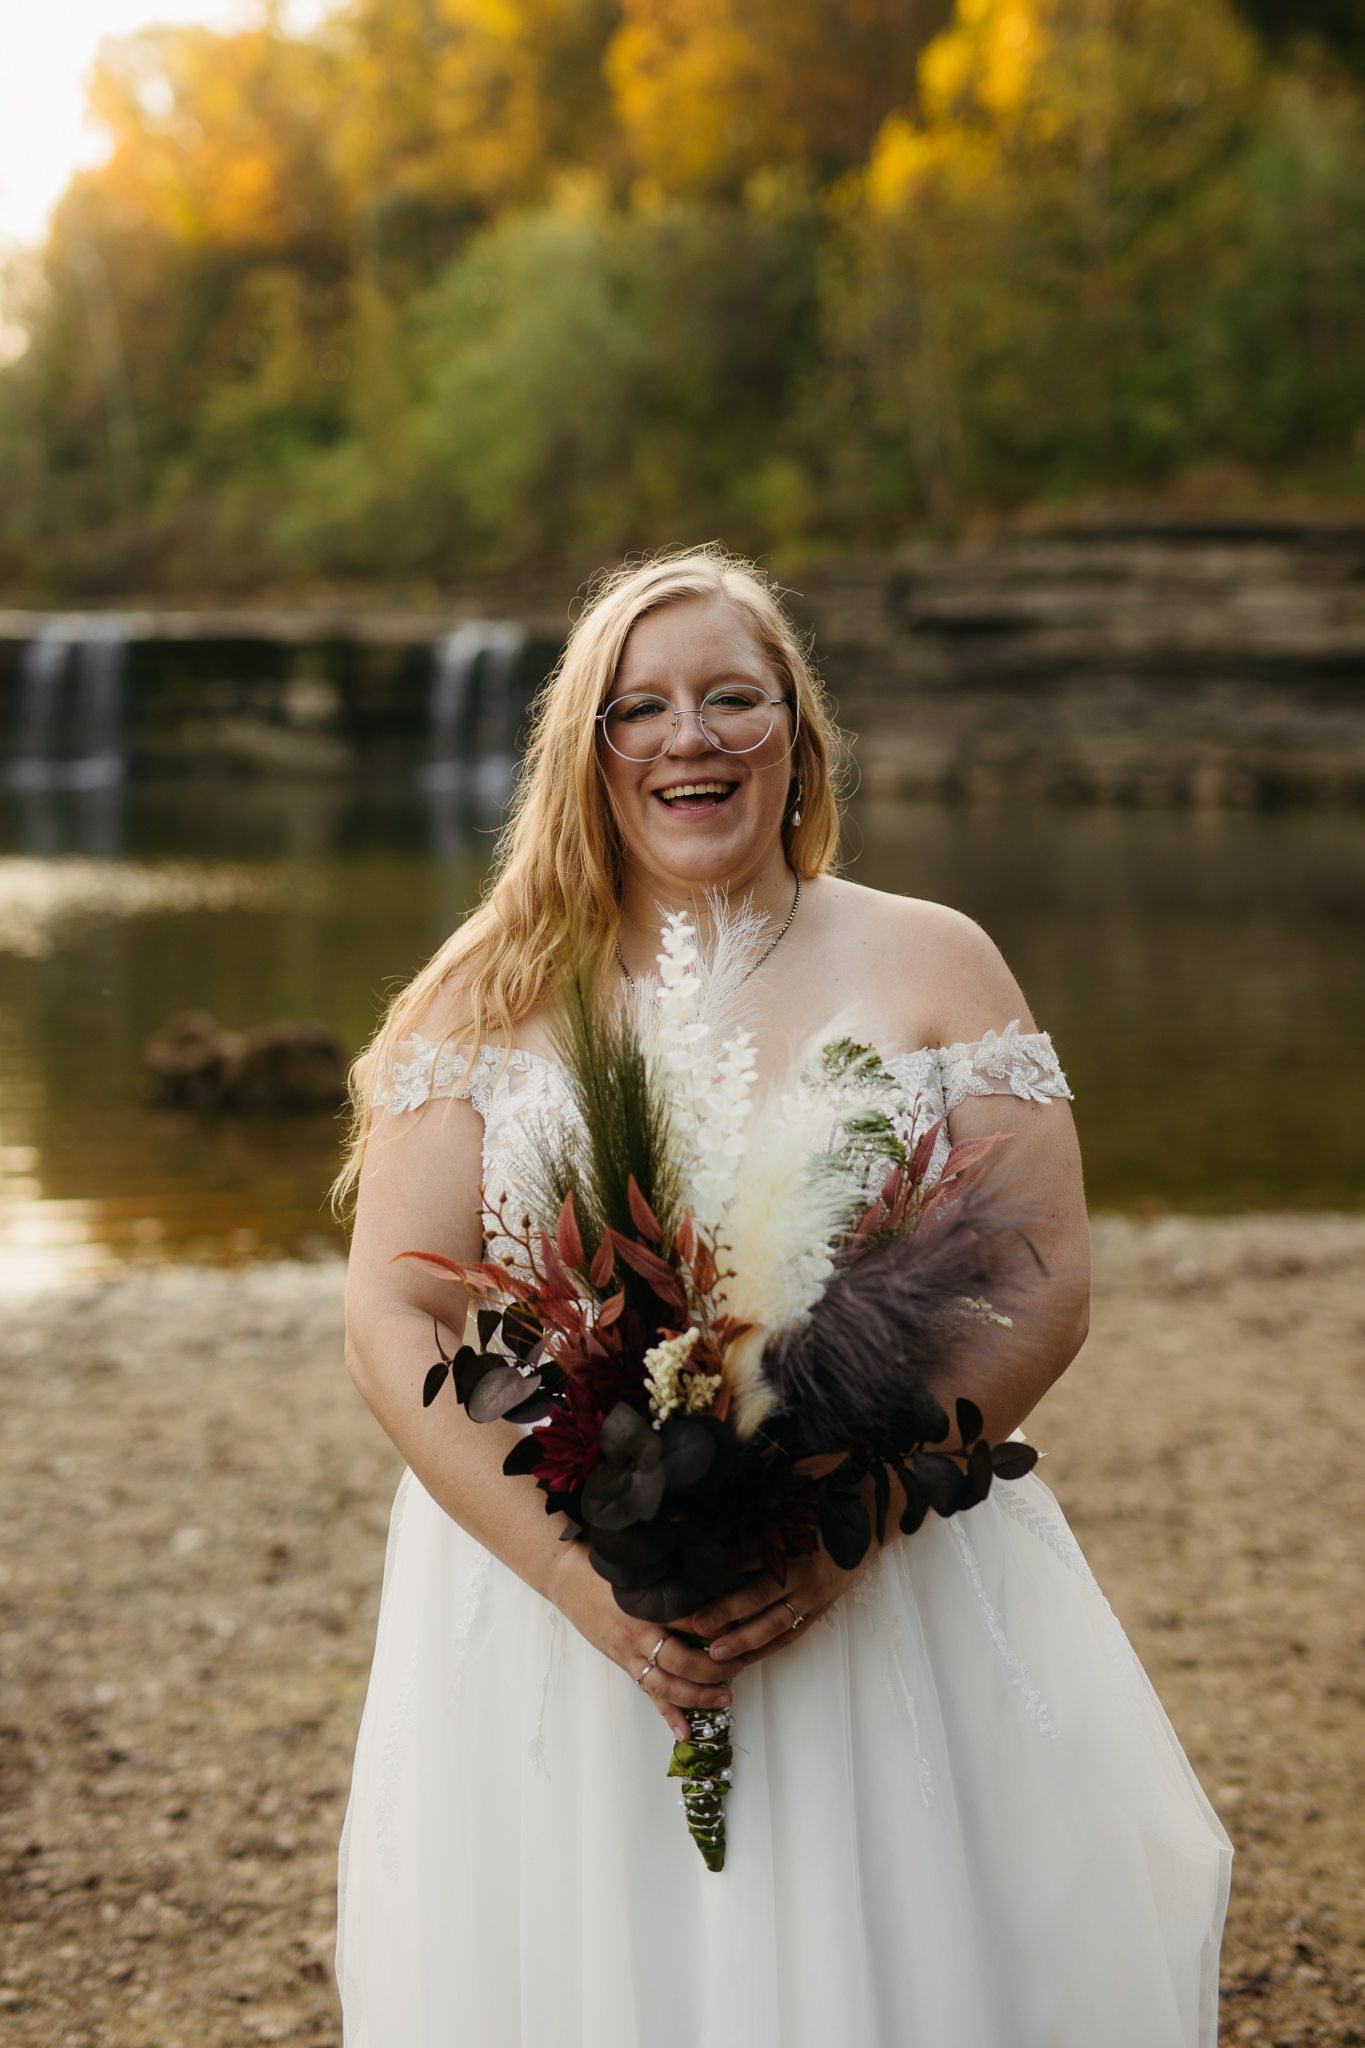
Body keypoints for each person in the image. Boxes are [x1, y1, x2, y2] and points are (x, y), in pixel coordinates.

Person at [336, 547, 1230, 2048]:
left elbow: (1039, 1279)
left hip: (867, 1559)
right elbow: (394, 1318)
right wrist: (584, 1591)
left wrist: (843, 1534)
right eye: (642, 708)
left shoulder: (933, 958)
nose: (691, 737)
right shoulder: (482, 988)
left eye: (732, 698)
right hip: (551, 1587)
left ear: (796, 740)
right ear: (588, 749)